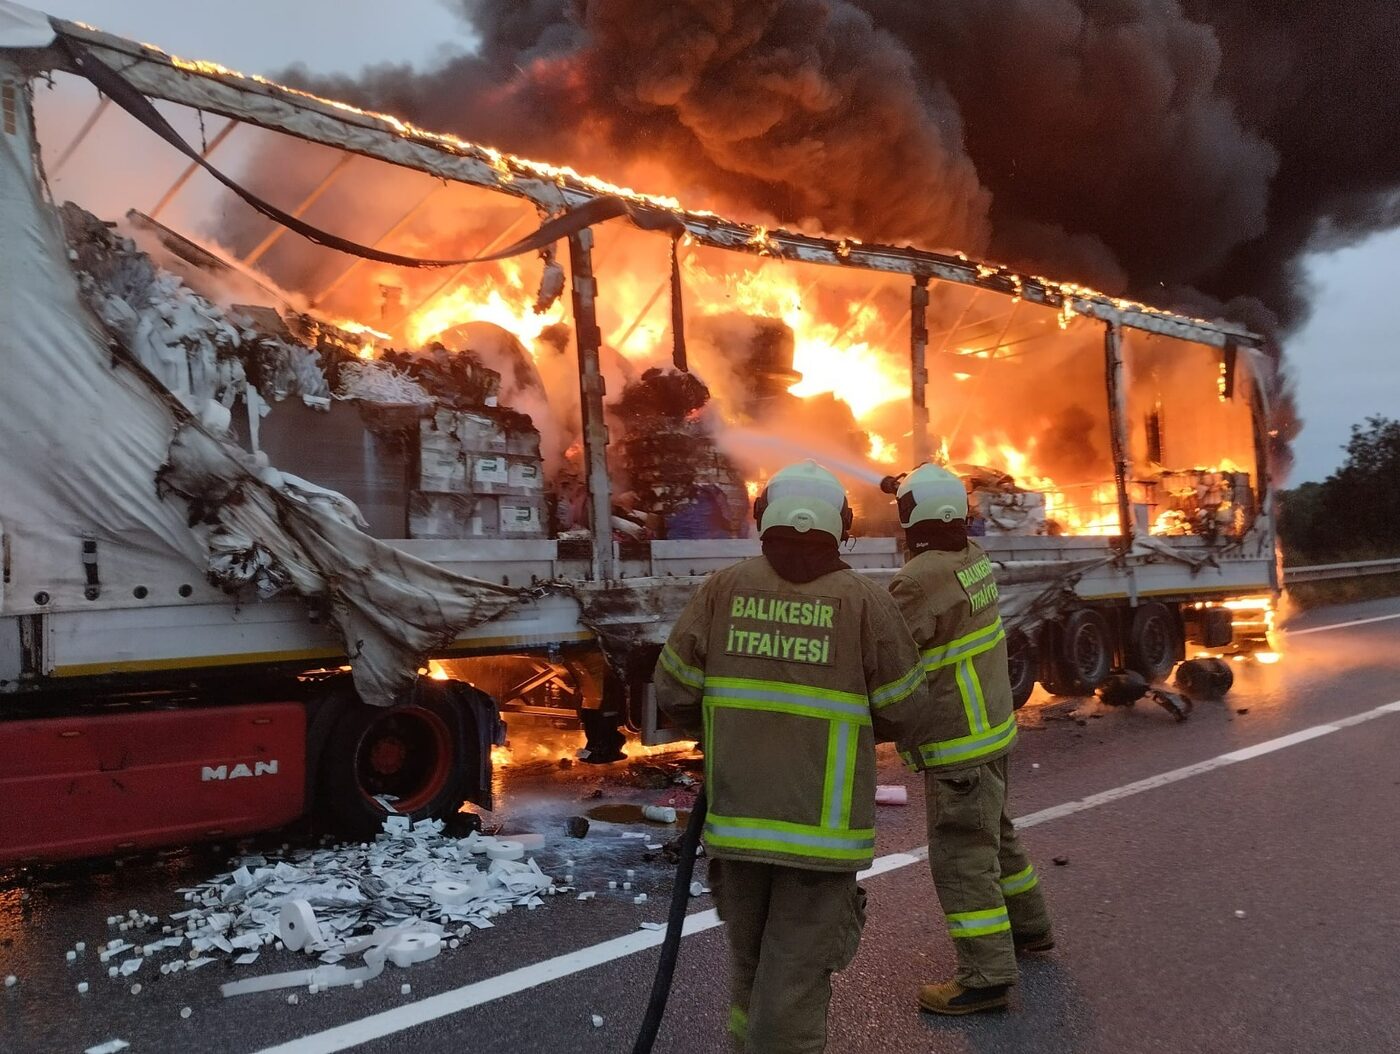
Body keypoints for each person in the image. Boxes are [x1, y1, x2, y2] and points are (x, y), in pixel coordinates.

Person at [654, 459, 933, 1053]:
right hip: (821, 838)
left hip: (737, 822)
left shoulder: (722, 590)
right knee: (794, 982)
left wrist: (728, 724)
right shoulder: (863, 602)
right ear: (842, 524)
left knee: (750, 966)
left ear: (763, 517)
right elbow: (907, 707)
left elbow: (674, 690)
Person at [888, 462, 1054, 1016]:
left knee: (962, 859)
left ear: (918, 518)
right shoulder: (972, 559)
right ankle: (1030, 929)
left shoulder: (917, 580)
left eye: (905, 511)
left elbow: (889, 650)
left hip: (956, 742)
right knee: (996, 837)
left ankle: (985, 978)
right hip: (990, 734)